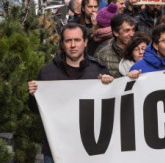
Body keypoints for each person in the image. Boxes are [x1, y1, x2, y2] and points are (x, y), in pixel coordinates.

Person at [27, 24, 113, 163]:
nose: (73, 45)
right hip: (56, 148)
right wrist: (33, 95)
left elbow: (110, 110)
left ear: (85, 42)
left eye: (77, 40)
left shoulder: (99, 70)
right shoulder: (47, 72)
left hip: (89, 147)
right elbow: (36, 110)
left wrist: (110, 86)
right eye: (68, 41)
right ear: (62, 44)